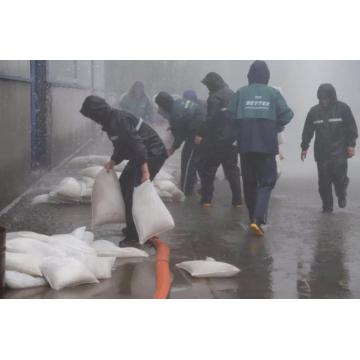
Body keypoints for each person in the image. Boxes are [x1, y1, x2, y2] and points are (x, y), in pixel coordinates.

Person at [80, 95, 167, 246]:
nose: (93, 119)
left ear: (97, 113)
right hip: (141, 154)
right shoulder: (110, 121)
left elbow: (136, 143)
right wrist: (113, 161)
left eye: (92, 116)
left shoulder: (118, 120)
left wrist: (145, 171)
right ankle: (134, 227)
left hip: (152, 153)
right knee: (125, 184)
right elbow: (121, 145)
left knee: (133, 192)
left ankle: (134, 236)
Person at [228, 61, 294, 236]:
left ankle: (252, 219)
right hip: (266, 144)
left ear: (249, 75)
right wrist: (275, 126)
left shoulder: (241, 92)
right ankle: (258, 220)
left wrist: (240, 129)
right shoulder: (273, 93)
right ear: (267, 76)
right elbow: (288, 114)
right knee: (266, 181)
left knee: (249, 182)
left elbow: (230, 114)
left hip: (245, 144)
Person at [301, 83, 358, 212]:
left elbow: (352, 128)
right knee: (323, 183)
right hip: (322, 154)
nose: (324, 100)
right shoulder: (314, 112)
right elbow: (307, 130)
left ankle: (341, 193)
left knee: (339, 179)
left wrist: (351, 145)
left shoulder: (343, 108)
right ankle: (327, 207)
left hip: (340, 153)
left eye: (326, 97)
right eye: (321, 98)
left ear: (332, 97)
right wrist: (304, 147)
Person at [195, 72, 242, 208]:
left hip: (216, 140)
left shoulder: (215, 97)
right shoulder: (232, 94)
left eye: (207, 85)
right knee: (232, 170)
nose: (207, 88)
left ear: (212, 84)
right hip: (232, 140)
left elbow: (210, 119)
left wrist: (200, 134)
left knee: (208, 170)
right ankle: (237, 201)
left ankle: (206, 200)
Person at [155, 91, 204, 196]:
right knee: (197, 160)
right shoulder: (178, 103)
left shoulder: (175, 114)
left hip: (199, 132)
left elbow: (179, 135)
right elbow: (183, 123)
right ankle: (204, 187)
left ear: (164, 105)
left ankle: (186, 191)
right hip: (202, 129)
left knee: (187, 161)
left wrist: (172, 148)